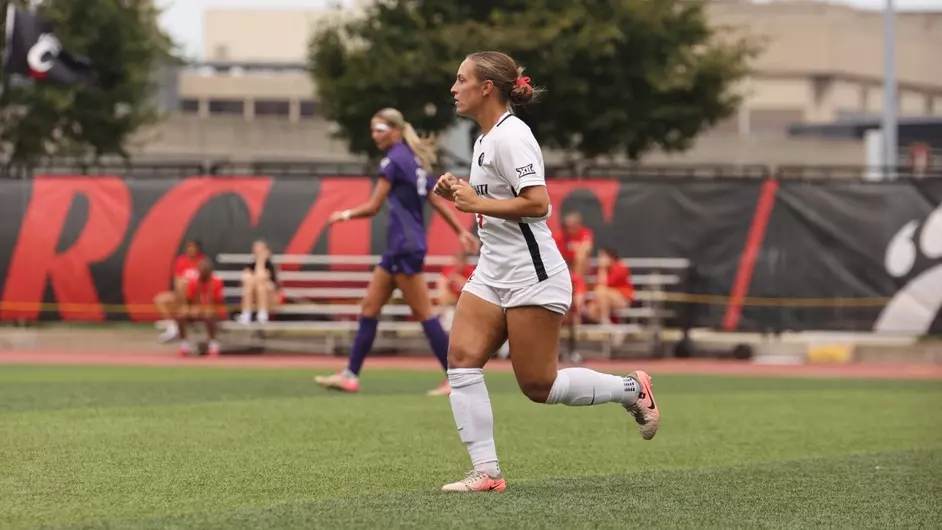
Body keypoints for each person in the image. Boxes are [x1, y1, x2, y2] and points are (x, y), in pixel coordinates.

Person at [433, 51, 660, 492]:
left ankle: (632, 389)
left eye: (460, 79)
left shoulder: (511, 136)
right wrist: (459, 191)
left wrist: (476, 202)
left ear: (486, 89)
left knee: (539, 385)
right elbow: (495, 204)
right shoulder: (483, 139)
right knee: (460, 362)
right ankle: (488, 473)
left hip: (532, 274)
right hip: (492, 272)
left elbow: (538, 204)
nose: (452, 87)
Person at [314, 107, 479, 396]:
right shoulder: (413, 160)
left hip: (404, 247)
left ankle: (455, 378)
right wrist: (461, 231)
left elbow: (374, 206)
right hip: (400, 247)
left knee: (425, 314)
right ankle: (350, 375)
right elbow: (436, 201)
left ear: (393, 129)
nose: (374, 135)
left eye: (378, 129)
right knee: (370, 308)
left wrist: (343, 215)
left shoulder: (393, 160)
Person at [154, 239, 205, 343]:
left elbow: (205, 282)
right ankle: (172, 327)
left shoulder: (203, 261)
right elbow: (177, 279)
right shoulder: (181, 261)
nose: (190, 249)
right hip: (182, 295)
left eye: (193, 247)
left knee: (185, 285)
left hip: (197, 297)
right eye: (188, 247)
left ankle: (183, 315)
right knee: (160, 299)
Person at [177, 258, 224, 358]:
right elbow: (190, 300)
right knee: (180, 315)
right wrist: (191, 309)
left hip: (214, 311)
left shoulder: (216, 282)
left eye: (205, 269)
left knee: (208, 315)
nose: (202, 271)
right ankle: (184, 345)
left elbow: (216, 302)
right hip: (198, 310)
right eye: (200, 269)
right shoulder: (194, 282)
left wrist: (201, 309)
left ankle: (213, 345)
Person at [236, 240, 281, 324]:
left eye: (260, 251)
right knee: (249, 284)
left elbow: (261, 276)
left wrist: (261, 261)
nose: (258, 253)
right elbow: (244, 279)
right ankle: (246, 314)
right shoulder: (249, 266)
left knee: (262, 284)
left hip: (270, 298)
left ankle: (262, 314)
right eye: (256, 251)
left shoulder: (270, 266)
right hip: (253, 297)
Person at [586, 247, 635, 325]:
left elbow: (604, 284)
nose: (600, 260)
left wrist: (603, 268)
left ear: (610, 257)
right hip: (606, 299)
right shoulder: (602, 269)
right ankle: (611, 328)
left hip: (623, 299)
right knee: (591, 310)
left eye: (602, 257)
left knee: (601, 290)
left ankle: (605, 320)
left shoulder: (620, 267)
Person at [554, 212, 594, 277]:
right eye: (567, 227)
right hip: (563, 262)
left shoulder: (585, 233)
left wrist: (576, 249)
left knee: (581, 256)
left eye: (572, 226)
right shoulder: (560, 236)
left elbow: (587, 247)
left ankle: (578, 282)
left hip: (579, 263)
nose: (569, 229)